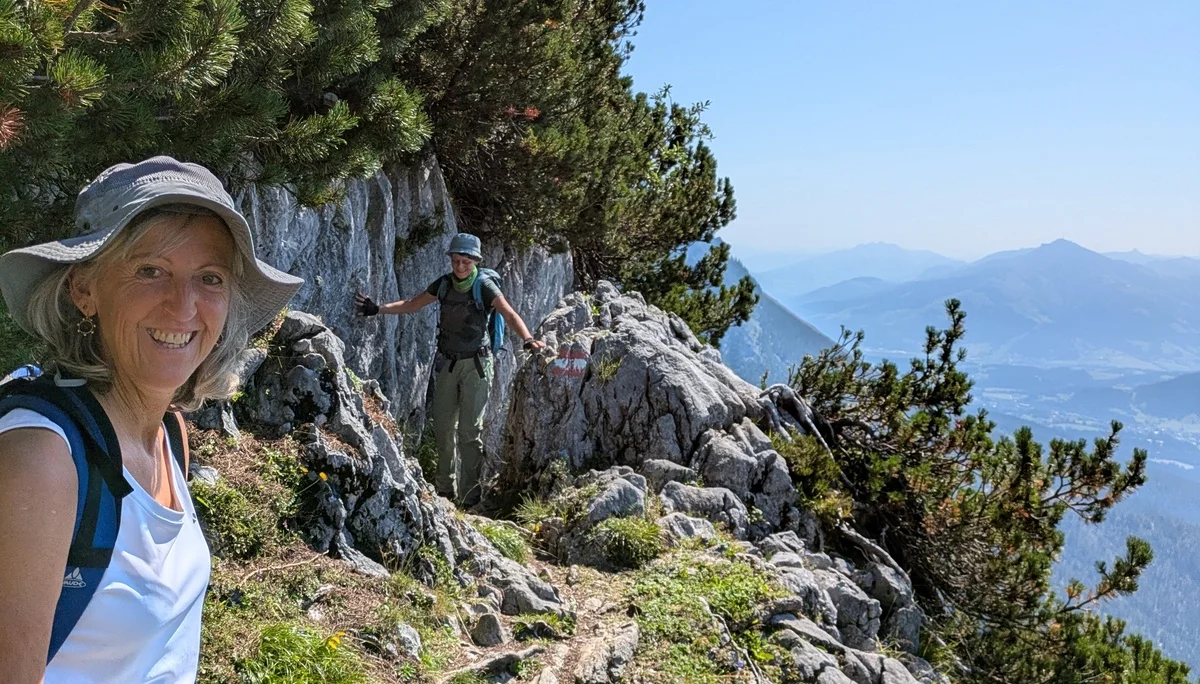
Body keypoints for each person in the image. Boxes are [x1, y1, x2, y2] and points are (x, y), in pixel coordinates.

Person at [0, 156, 303, 683]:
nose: (183, 306)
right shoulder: (42, 457)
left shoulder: (169, 436)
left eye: (209, 277)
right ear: (84, 290)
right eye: (150, 271)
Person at [354, 233, 546, 507]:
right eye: (456, 261)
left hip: (477, 366)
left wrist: (528, 339)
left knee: (469, 432)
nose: (460, 267)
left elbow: (509, 313)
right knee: (443, 427)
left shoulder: (484, 285)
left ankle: (470, 497)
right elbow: (411, 304)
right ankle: (445, 490)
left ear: (475, 261)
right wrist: (377, 309)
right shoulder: (444, 284)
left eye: (466, 262)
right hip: (448, 362)